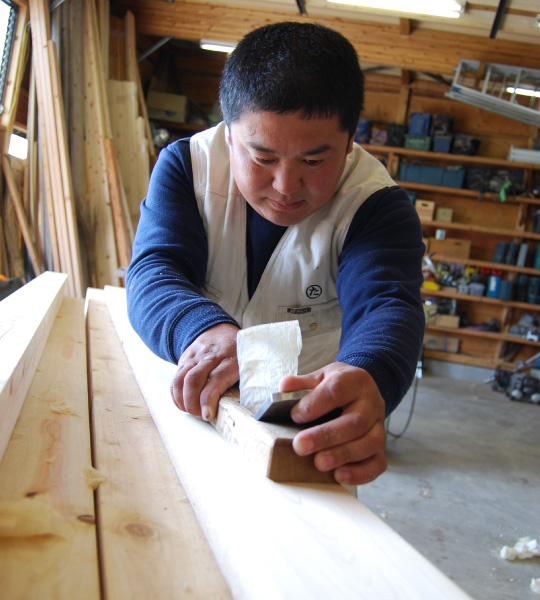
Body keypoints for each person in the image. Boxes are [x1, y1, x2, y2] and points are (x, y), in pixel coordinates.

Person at [126, 21, 425, 486]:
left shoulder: (377, 206)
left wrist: (370, 373)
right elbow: (154, 270)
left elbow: (387, 305)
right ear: (229, 134)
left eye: (313, 160)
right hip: (189, 413)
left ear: (349, 145)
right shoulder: (187, 166)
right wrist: (202, 331)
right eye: (262, 157)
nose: (285, 186)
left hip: (301, 440)